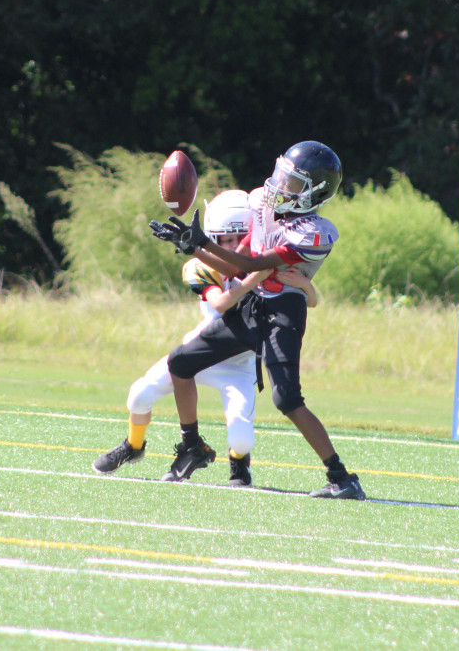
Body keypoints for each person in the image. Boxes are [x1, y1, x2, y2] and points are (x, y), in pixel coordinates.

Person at [150, 140, 364, 500]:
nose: (280, 186)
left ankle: (342, 478)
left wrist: (201, 244)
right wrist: (196, 249)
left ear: (314, 193)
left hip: (283, 310)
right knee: (180, 362)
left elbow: (253, 265)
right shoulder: (265, 208)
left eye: (293, 183)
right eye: (282, 175)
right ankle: (192, 447)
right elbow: (236, 265)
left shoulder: (313, 232)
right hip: (252, 305)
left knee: (287, 400)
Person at [94, 189, 318, 487]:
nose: (231, 245)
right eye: (223, 239)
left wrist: (306, 285)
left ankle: (239, 462)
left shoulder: (268, 259)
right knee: (138, 395)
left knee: (242, 437)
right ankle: (134, 446)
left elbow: (309, 301)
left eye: (238, 237)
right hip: (202, 349)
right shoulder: (205, 266)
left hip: (239, 365)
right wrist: (256, 275)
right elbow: (221, 303)